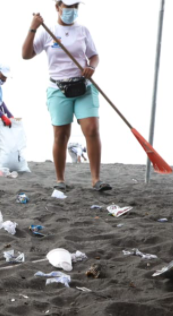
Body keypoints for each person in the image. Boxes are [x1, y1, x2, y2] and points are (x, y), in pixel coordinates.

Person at [22, 0, 111, 191]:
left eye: (75, 7)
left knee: (92, 129)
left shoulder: (83, 30)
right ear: (58, 7)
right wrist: (33, 28)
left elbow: (94, 55)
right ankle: (60, 179)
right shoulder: (47, 31)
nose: (71, 11)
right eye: (67, 7)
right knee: (61, 135)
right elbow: (26, 54)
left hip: (83, 87)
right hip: (58, 89)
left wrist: (91, 67)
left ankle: (96, 180)